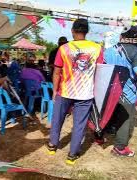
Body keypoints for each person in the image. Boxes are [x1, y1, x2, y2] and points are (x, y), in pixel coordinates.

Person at [47, 19, 103, 165]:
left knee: (57, 119)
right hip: (85, 93)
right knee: (79, 124)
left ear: (72, 31)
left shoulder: (64, 48)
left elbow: (56, 72)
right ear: (87, 31)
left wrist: (54, 91)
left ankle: (53, 146)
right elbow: (100, 72)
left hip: (64, 91)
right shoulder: (97, 48)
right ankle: (72, 155)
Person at [102, 25, 137, 157]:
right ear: (135, 37)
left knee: (109, 114)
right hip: (126, 93)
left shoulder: (108, 50)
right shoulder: (136, 51)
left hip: (108, 90)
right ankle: (119, 147)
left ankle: (102, 135)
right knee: (125, 119)